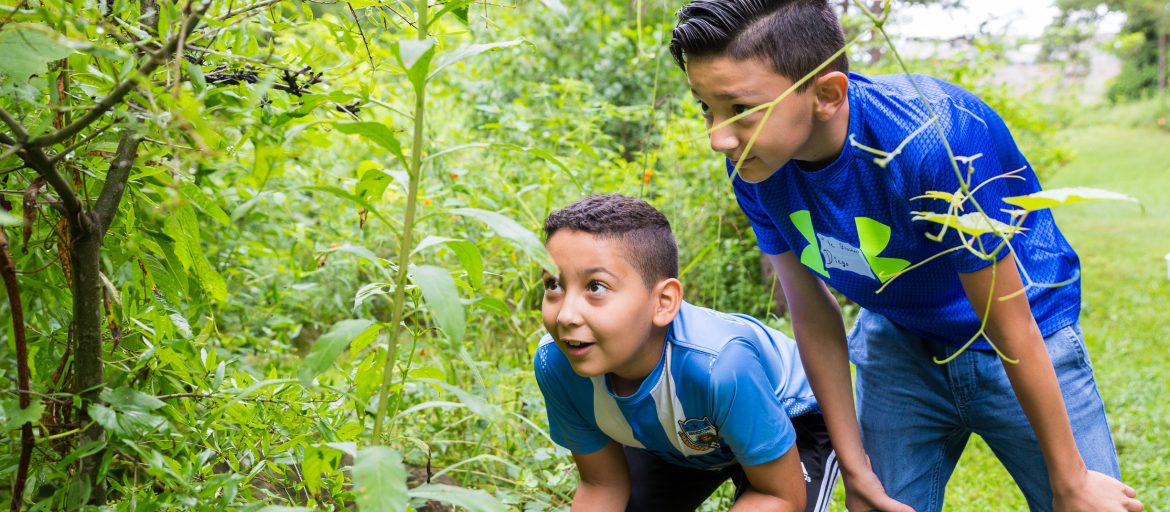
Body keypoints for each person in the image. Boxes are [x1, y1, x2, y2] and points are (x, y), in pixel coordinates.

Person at [668, 1, 1142, 511]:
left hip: (1025, 333)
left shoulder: (933, 139)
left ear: (826, 95)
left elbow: (1007, 323)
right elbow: (810, 309)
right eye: (705, 107)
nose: (717, 137)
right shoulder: (754, 165)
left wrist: (1069, 479)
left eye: (739, 110)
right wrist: (856, 470)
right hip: (899, 337)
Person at [533, 193, 839, 511]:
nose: (566, 315)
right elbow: (602, 484)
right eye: (553, 285)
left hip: (790, 419)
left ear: (664, 302)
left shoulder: (719, 366)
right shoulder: (556, 362)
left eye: (596, 287)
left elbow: (778, 495)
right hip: (689, 439)